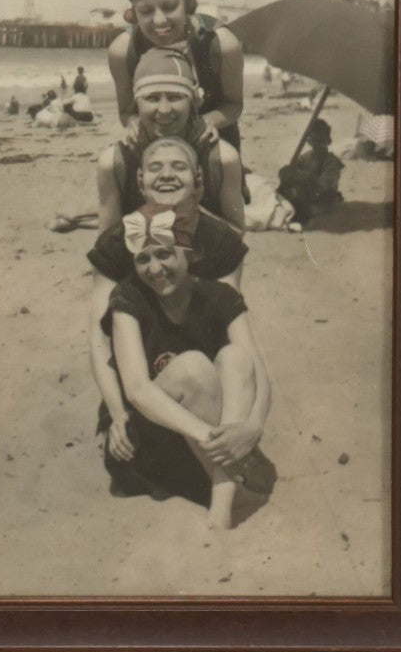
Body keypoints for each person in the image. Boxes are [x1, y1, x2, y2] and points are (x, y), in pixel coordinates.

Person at [98, 204, 274, 528]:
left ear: (189, 253)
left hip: (202, 448)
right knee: (193, 367)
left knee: (236, 358)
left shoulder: (220, 296)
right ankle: (229, 488)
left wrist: (253, 428)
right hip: (144, 444)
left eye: (164, 254)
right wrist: (217, 440)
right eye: (143, 259)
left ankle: (222, 502)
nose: (154, 269)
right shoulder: (128, 299)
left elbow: (258, 372)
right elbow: (137, 390)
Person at [96, 48, 244, 232]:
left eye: (175, 97)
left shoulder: (221, 159)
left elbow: (237, 234)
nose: (164, 110)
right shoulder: (115, 162)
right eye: (152, 98)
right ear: (136, 104)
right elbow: (106, 243)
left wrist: (192, 210)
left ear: (192, 102)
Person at [108, 0, 243, 150]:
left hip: (212, 142)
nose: (159, 20)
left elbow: (234, 105)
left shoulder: (221, 42)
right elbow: (126, 112)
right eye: (146, 11)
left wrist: (207, 122)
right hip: (155, 147)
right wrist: (133, 123)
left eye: (170, 6)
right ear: (133, 13)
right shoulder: (123, 50)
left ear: (187, 4)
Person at [276, 118, 344, 225]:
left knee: (305, 209)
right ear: (310, 142)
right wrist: (286, 173)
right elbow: (289, 173)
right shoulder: (306, 157)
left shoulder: (331, 162)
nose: (318, 146)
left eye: (321, 142)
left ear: (327, 142)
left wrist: (303, 177)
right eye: (315, 142)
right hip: (306, 195)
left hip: (323, 198)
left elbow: (324, 185)